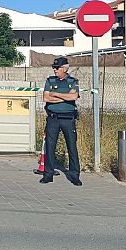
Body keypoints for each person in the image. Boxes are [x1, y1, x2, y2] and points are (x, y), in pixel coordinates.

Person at [40, 57, 82, 186]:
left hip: (68, 119)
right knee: (50, 146)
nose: (54, 70)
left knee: (72, 147)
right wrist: (65, 98)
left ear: (64, 69)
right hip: (53, 118)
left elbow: (74, 97)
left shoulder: (73, 81)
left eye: (57, 68)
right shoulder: (50, 81)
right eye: (54, 67)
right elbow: (46, 98)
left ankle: (74, 175)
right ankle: (48, 174)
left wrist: (55, 94)